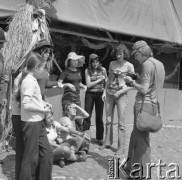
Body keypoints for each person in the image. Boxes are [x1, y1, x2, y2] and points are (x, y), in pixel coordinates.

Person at [121, 40, 165, 179]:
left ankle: (141, 174)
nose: (135, 58)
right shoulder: (159, 64)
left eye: (136, 55)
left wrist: (131, 82)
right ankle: (129, 167)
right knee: (136, 136)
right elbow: (152, 85)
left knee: (142, 141)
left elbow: (144, 89)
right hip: (153, 106)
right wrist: (139, 79)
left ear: (141, 52)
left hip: (143, 105)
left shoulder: (146, 64)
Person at [17, 52, 53, 180]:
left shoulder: (32, 80)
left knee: (47, 153)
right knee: (30, 158)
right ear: (36, 68)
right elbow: (26, 104)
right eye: (42, 67)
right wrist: (42, 110)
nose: (43, 70)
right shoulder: (29, 82)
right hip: (32, 123)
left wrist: (43, 103)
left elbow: (34, 99)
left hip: (38, 121)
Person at [99, 44, 135, 156]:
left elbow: (132, 84)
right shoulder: (112, 64)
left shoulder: (129, 66)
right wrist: (105, 92)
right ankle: (107, 142)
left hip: (121, 95)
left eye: (120, 54)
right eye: (117, 54)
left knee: (121, 123)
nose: (118, 56)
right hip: (109, 93)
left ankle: (121, 147)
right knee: (108, 119)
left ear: (125, 54)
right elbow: (109, 79)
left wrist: (120, 92)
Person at [84, 53, 107, 145]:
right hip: (90, 94)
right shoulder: (87, 71)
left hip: (100, 94)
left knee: (99, 116)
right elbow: (88, 85)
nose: (95, 63)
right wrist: (99, 80)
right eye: (93, 62)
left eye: (97, 61)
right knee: (87, 115)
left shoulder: (103, 70)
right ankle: (85, 137)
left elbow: (106, 82)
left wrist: (105, 93)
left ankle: (100, 138)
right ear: (90, 62)